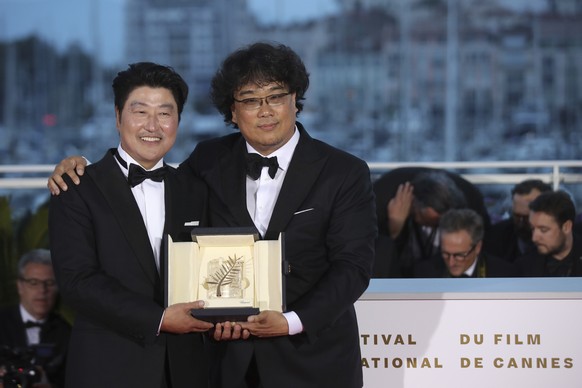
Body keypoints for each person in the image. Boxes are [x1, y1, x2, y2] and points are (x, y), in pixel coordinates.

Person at [48, 42, 377, 388]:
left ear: (295, 99)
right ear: (233, 112)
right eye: (250, 100)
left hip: (312, 360)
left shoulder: (344, 172)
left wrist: (292, 321)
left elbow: (353, 267)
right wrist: (79, 164)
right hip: (226, 364)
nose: (265, 111)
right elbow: (134, 173)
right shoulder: (208, 162)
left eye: (275, 97)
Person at [48, 62, 214, 388]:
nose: (152, 125)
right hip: (108, 366)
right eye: (140, 112)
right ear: (118, 116)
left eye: (165, 114)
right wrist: (160, 319)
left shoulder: (195, 188)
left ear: (178, 120)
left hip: (186, 369)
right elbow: (78, 282)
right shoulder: (76, 187)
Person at [372, 167, 490, 278]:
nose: (433, 227)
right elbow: (378, 260)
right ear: (413, 204)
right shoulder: (378, 200)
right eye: (426, 220)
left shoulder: (472, 202)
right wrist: (394, 229)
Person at [0, 249, 71, 388]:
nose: (42, 290)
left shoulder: (67, 333)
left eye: (50, 283)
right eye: (33, 282)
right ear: (19, 286)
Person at [414, 209, 517, 278]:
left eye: (459, 255)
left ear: (478, 247)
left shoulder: (503, 275)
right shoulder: (425, 274)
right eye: (445, 254)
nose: (451, 263)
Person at [483, 179, 552, 262]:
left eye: (527, 217)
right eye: (517, 216)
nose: (521, 222)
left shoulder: (559, 238)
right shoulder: (496, 236)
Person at [515, 190, 582, 276]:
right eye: (532, 229)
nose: (534, 238)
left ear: (566, 227)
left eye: (543, 230)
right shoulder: (523, 266)